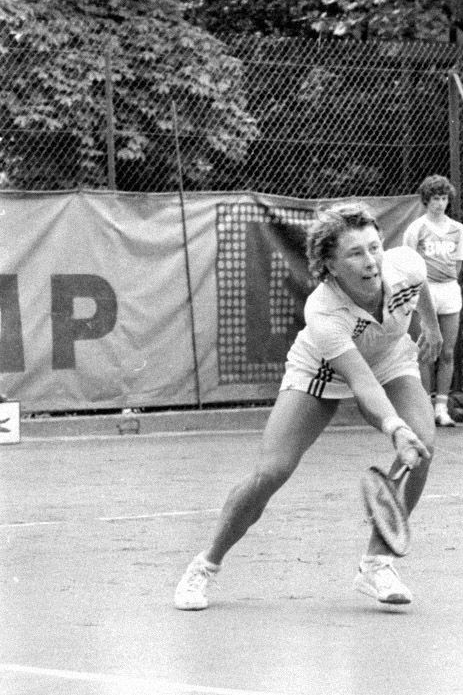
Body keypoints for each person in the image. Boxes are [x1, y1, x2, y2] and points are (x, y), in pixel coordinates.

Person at [173, 202, 442, 611]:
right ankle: (205, 565)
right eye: (355, 253)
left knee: (423, 443)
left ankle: (376, 563)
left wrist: (433, 330)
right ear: (330, 266)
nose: (371, 261)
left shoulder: (404, 264)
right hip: (321, 370)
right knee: (271, 472)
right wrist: (393, 427)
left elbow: (420, 289)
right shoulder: (322, 309)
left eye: (374, 247)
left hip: (389, 354)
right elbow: (361, 384)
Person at [403, 175, 463, 428]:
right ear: (426, 201)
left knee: (448, 351)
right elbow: (408, 263)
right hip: (423, 293)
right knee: (425, 351)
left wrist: (446, 285)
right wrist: (421, 292)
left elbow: (458, 264)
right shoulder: (416, 228)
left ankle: (441, 408)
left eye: (443, 199)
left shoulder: (457, 229)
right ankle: (424, 409)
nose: (439, 204)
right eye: (435, 199)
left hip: (449, 291)